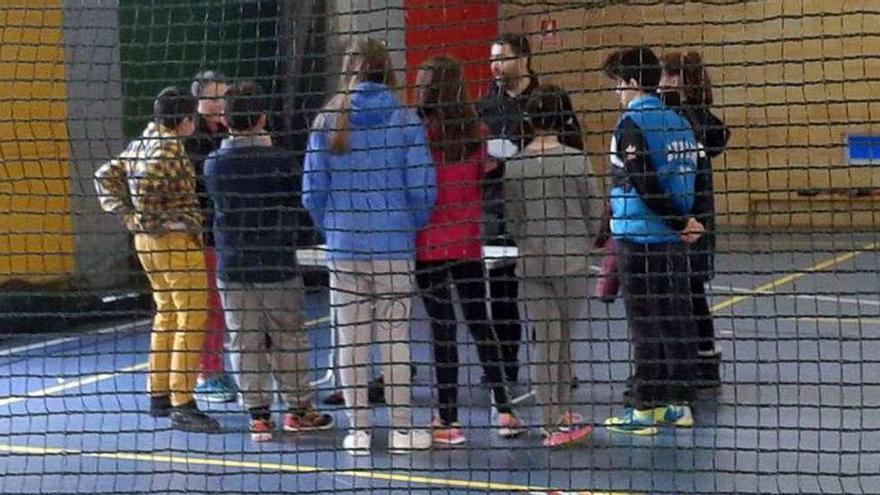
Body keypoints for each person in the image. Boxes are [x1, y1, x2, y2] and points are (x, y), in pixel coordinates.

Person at [303, 37, 436, 455]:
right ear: (387, 69)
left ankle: (358, 430)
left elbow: (312, 191)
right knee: (395, 337)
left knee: (350, 341)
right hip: (394, 245)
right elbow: (422, 187)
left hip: (345, 248)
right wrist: (406, 226)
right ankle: (400, 429)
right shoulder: (404, 119)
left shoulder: (328, 119)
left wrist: (335, 229)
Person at [203, 81, 334, 442]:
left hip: (234, 266)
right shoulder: (280, 161)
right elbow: (299, 204)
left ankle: (258, 416)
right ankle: (299, 410)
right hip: (276, 263)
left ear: (227, 120)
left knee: (243, 341)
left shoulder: (214, 165)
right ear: (262, 118)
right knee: (288, 337)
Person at [94, 87, 219, 433]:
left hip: (147, 244)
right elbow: (148, 184)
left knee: (167, 314)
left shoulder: (141, 143)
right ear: (184, 120)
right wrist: (148, 215)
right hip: (174, 240)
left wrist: (129, 216)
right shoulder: (168, 148)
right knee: (192, 316)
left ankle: (159, 393)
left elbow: (104, 175)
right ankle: (183, 400)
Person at [413, 56, 524, 445]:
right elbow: (486, 174)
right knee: (481, 325)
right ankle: (504, 409)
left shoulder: (419, 132)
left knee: (442, 332)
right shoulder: (476, 132)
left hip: (427, 245)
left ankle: (447, 419)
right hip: (466, 243)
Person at [600, 46, 704, 435]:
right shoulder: (679, 121)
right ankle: (679, 403)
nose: (616, 93)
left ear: (629, 81)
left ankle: (644, 408)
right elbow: (690, 176)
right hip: (673, 240)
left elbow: (644, 182)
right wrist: (687, 221)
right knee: (675, 319)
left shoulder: (631, 123)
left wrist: (679, 220)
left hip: (639, 239)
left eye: (617, 84)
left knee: (644, 323)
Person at [477, 33, 583, 395]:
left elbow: (574, 148)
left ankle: (554, 367)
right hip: (498, 211)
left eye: (502, 58)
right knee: (500, 294)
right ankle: (505, 367)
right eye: (492, 59)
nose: (495, 65)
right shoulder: (484, 106)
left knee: (549, 295)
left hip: (543, 212)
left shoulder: (550, 99)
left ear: (523, 59)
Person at [504, 85, 599, 447]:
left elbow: (513, 221)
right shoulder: (577, 160)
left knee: (546, 340)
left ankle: (554, 415)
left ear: (529, 119)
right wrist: (583, 242)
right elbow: (594, 212)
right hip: (571, 262)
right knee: (562, 341)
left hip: (532, 264)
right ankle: (556, 418)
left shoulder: (515, 165)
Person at [660, 51, 731, 390]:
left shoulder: (687, 120)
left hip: (691, 218)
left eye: (667, 75)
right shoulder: (682, 117)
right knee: (688, 291)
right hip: (682, 217)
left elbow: (714, 137)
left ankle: (698, 362)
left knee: (687, 291)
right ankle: (699, 360)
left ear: (679, 79)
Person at [185, 70, 238, 403]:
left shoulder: (228, 132)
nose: (221, 103)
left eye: (225, 96)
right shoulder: (193, 139)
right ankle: (207, 372)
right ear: (199, 101)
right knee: (210, 307)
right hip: (204, 235)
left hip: (229, 233)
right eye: (214, 97)